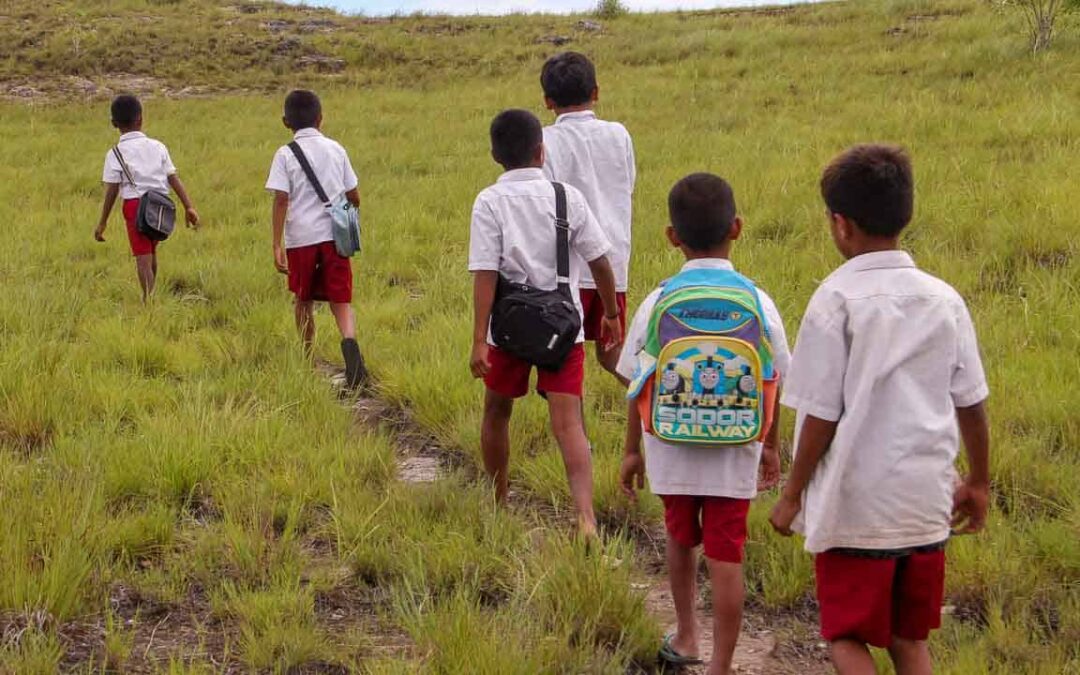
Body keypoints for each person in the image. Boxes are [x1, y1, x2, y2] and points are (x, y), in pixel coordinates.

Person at [769, 144, 991, 675]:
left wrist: (793, 493)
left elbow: (819, 415)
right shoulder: (944, 299)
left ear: (840, 225)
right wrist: (979, 481)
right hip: (924, 502)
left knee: (846, 636)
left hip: (856, 509)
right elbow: (973, 402)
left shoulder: (836, 299)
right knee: (908, 639)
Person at [619, 173, 790, 674]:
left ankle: (688, 634)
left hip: (670, 443)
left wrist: (632, 449)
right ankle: (721, 664)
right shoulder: (758, 303)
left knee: (679, 538)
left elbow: (636, 381)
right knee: (727, 551)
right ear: (737, 228)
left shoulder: (658, 300)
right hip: (736, 445)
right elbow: (773, 380)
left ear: (672, 236)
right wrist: (772, 446)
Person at [469, 109, 623, 539]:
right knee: (568, 423)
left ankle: (499, 501)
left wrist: (479, 340)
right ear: (542, 151)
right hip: (563, 328)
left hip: (509, 330)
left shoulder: (489, 201)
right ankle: (586, 517)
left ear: (495, 155)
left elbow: (484, 274)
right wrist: (610, 313)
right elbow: (600, 261)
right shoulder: (566, 197)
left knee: (497, 412)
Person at [541, 52, 636, 384]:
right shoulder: (619, 134)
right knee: (613, 352)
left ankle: (575, 434)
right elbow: (629, 185)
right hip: (613, 263)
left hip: (568, 271)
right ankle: (657, 407)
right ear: (595, 91)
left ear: (547, 101)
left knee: (568, 363)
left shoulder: (545, 141)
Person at [265, 89, 368, 389]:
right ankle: (354, 360)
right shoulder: (337, 149)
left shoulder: (284, 154)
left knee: (303, 299)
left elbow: (281, 200)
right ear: (321, 118)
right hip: (336, 238)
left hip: (301, 239)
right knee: (341, 300)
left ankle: (308, 361)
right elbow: (354, 196)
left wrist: (276, 243)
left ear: (286, 122)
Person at [95, 94, 200, 303]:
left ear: (113, 123)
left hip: (135, 206)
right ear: (141, 119)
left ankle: (149, 302)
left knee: (142, 258)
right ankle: (151, 297)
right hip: (162, 204)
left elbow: (112, 191)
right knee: (151, 252)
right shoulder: (158, 146)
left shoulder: (115, 153)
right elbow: (173, 178)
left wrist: (103, 222)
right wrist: (189, 207)